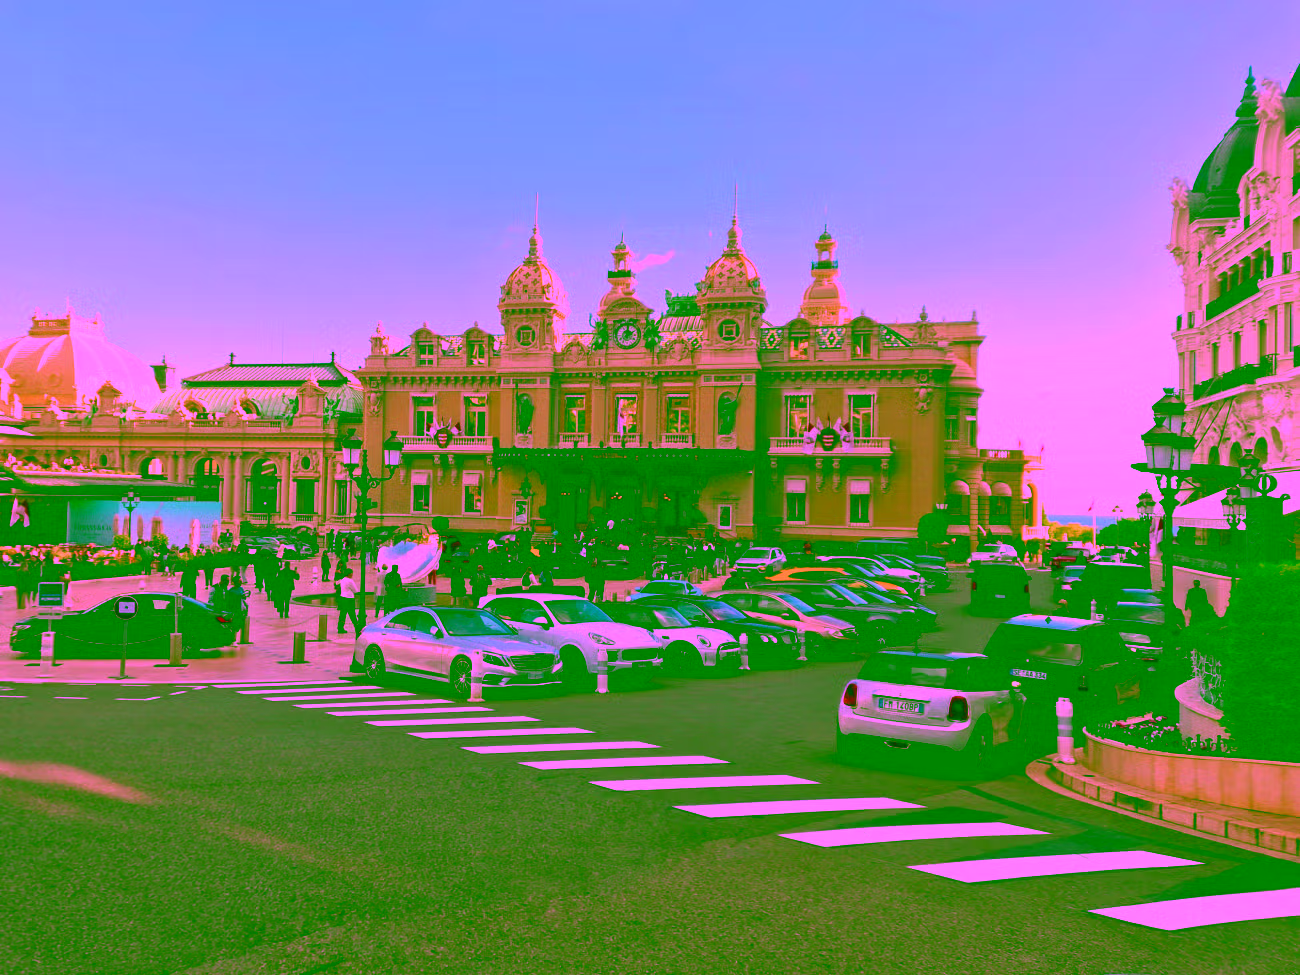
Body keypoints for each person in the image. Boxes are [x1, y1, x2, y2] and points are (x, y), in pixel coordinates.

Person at [336, 567, 361, 635]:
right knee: (352, 613)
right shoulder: (350, 581)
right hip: (349, 599)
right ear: (350, 574)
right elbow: (355, 590)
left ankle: (340, 627)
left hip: (342, 598)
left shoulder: (343, 580)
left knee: (342, 613)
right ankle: (357, 627)